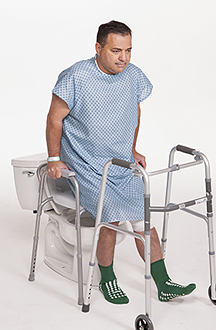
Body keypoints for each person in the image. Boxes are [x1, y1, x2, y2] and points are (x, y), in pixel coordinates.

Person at [46, 20, 196, 304]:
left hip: (120, 162)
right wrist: (54, 158)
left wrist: (132, 148)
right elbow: (55, 119)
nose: (123, 58)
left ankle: (163, 282)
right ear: (98, 48)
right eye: (116, 51)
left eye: (128, 50)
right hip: (86, 164)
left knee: (143, 218)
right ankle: (108, 279)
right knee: (111, 214)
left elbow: (133, 112)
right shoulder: (76, 76)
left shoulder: (133, 75)